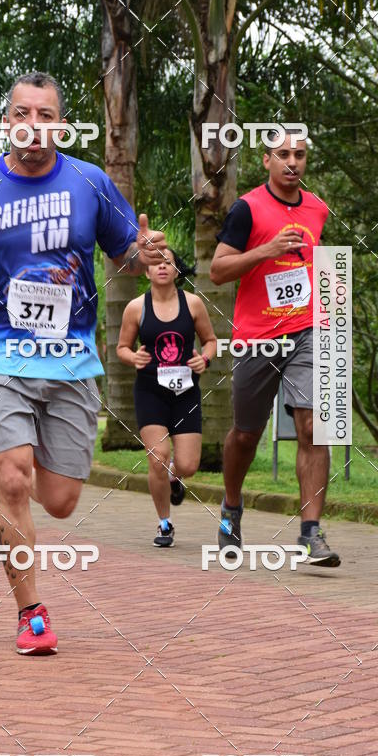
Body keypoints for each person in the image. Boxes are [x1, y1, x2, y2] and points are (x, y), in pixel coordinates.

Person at [0, 70, 167, 655]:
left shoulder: (90, 183)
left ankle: (15, 531)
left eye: (45, 116)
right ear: (6, 122)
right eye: (22, 114)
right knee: (13, 476)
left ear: (61, 125)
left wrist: (144, 255)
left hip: (71, 362)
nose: (32, 125)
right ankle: (31, 612)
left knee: (60, 499)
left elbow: (126, 253)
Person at [210, 129, 340, 567]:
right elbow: (218, 270)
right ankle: (231, 507)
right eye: (283, 154)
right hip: (259, 335)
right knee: (246, 434)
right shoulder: (247, 209)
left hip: (308, 328)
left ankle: (310, 534)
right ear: (266, 160)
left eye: (300, 155)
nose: (292, 162)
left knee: (311, 426)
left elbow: (314, 261)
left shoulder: (317, 208)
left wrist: (331, 286)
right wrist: (266, 250)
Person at [117, 248, 216, 547]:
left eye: (168, 262)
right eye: (155, 262)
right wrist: (132, 357)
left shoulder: (194, 304)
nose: (162, 266)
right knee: (158, 457)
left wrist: (205, 360)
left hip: (186, 392)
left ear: (176, 270)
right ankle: (164, 523)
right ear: (146, 271)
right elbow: (122, 347)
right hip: (150, 391)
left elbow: (210, 341)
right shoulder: (136, 308)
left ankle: (176, 478)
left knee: (187, 465)